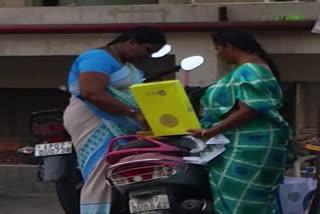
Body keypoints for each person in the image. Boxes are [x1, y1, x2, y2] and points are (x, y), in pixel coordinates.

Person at [63, 26, 166, 214]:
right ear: (132, 42)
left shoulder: (124, 64)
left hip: (119, 121)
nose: (147, 57)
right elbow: (91, 93)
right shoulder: (97, 58)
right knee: (99, 174)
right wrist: (134, 113)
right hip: (93, 119)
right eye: (147, 50)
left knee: (118, 172)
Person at [188, 29, 293, 214]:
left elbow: (249, 110)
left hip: (248, 146)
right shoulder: (255, 68)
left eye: (218, 49)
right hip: (251, 142)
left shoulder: (249, 70)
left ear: (229, 47)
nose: (218, 53)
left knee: (243, 202)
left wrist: (208, 133)